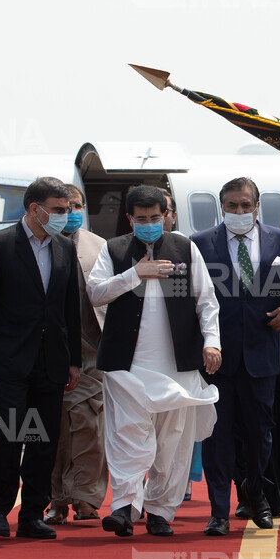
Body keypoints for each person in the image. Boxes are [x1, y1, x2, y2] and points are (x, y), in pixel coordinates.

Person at [89, 185, 221, 537]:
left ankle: (160, 510)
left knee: (172, 441)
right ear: (130, 219)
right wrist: (135, 274)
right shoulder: (113, 249)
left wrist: (212, 343)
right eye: (141, 219)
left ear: (167, 216)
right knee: (126, 436)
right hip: (125, 364)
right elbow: (95, 292)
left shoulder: (184, 249)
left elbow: (205, 301)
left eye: (155, 218)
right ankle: (123, 508)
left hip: (176, 364)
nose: (149, 225)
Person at [191, 177, 280, 535]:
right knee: (217, 438)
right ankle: (218, 511)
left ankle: (257, 494)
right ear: (222, 207)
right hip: (217, 358)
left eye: (246, 205)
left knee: (261, 435)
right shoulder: (200, 244)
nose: (240, 211)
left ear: (257, 206)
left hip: (262, 355)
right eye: (232, 206)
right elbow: (187, 297)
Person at [0, 176, 82, 540]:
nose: (65, 216)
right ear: (34, 209)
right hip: (10, 359)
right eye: (58, 210)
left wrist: (74, 361)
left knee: (45, 440)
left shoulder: (64, 248)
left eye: (67, 210)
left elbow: (71, 311)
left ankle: (33, 513)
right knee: (14, 432)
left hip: (51, 361)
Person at [45, 185, 108, 525]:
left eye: (77, 206)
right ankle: (56, 499)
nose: (71, 212)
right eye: (64, 207)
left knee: (89, 430)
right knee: (53, 434)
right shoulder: (40, 246)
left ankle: (86, 498)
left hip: (92, 356)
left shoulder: (101, 248)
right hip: (50, 357)